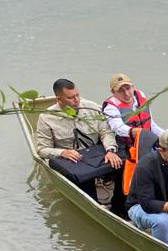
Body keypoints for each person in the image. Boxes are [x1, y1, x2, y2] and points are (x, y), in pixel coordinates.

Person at [34, 78, 123, 206]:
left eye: (77, 95)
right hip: (74, 161)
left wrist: (110, 150)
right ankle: (96, 205)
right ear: (59, 99)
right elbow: (42, 149)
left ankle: (119, 206)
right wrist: (62, 152)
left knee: (122, 165)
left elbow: (106, 132)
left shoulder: (92, 108)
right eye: (70, 98)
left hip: (95, 155)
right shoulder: (46, 118)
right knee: (84, 181)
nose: (76, 100)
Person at [102, 73, 163, 152]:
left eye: (128, 88)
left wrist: (165, 135)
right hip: (128, 146)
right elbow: (118, 128)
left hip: (148, 141)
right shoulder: (110, 107)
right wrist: (134, 132)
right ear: (113, 92)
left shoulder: (141, 96)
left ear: (133, 87)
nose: (126, 93)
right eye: (121, 91)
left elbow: (151, 124)